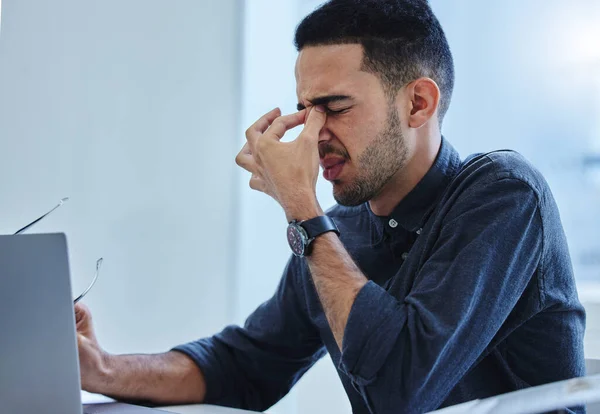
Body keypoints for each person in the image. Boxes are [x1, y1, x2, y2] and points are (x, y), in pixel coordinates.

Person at [75, 0, 586, 413]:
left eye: (335, 108)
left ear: (418, 104)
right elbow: (245, 365)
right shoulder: (340, 231)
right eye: (304, 109)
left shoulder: (505, 196)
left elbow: (401, 392)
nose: (313, 133)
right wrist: (104, 371)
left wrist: (302, 209)